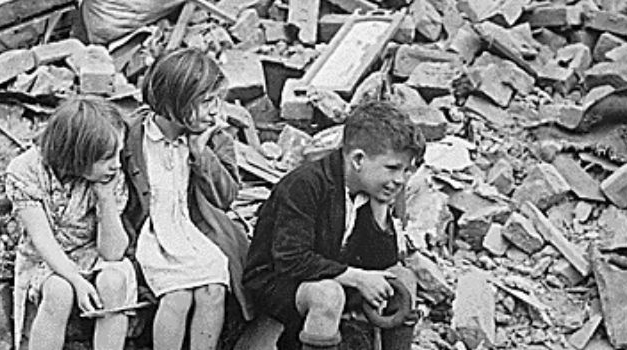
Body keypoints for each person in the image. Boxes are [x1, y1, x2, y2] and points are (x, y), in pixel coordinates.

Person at [243, 100, 427, 350]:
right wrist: (358, 278)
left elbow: (383, 261)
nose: (400, 179)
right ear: (358, 159)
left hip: (334, 271)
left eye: (406, 170)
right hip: (279, 282)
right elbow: (291, 258)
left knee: (403, 279)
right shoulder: (305, 185)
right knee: (328, 295)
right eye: (393, 168)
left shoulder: (372, 187)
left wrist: (380, 212)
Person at [120, 48, 252, 350]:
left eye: (217, 100)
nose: (215, 111)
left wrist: (200, 154)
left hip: (193, 230)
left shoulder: (215, 138)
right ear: (177, 100)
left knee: (213, 289)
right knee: (177, 295)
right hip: (149, 232)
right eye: (206, 101)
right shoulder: (131, 135)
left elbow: (226, 198)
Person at [6, 97, 137, 350]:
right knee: (59, 290)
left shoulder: (110, 176)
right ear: (78, 154)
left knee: (114, 282)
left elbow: (113, 252)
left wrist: (106, 198)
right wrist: (77, 281)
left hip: (91, 252)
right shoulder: (25, 171)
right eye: (107, 158)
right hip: (47, 257)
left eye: (118, 154)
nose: (117, 164)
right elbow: (41, 239)